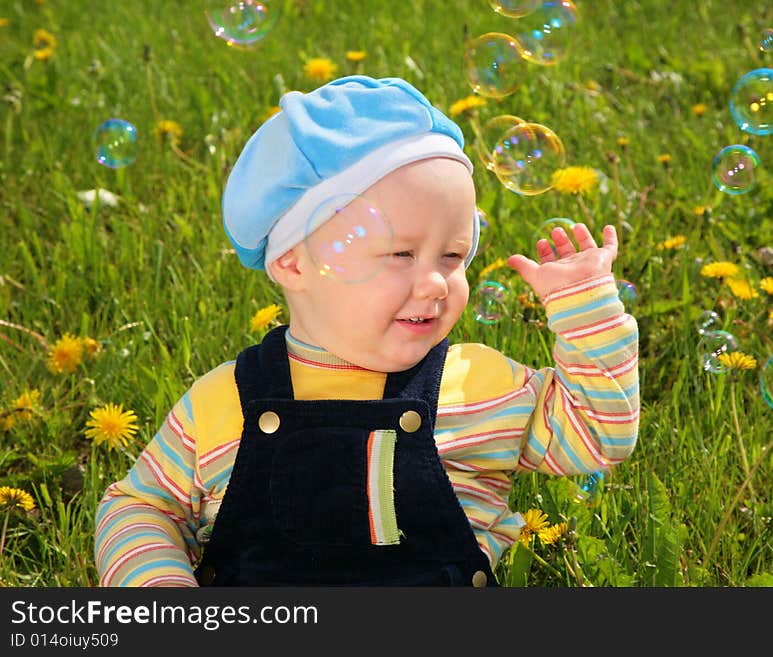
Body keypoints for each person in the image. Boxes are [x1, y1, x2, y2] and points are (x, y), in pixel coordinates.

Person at [94, 75, 640, 587]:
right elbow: (141, 507)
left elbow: (598, 434)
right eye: (401, 253)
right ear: (292, 263)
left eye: (454, 255)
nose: (434, 283)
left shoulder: (478, 385)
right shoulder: (221, 404)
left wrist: (585, 305)